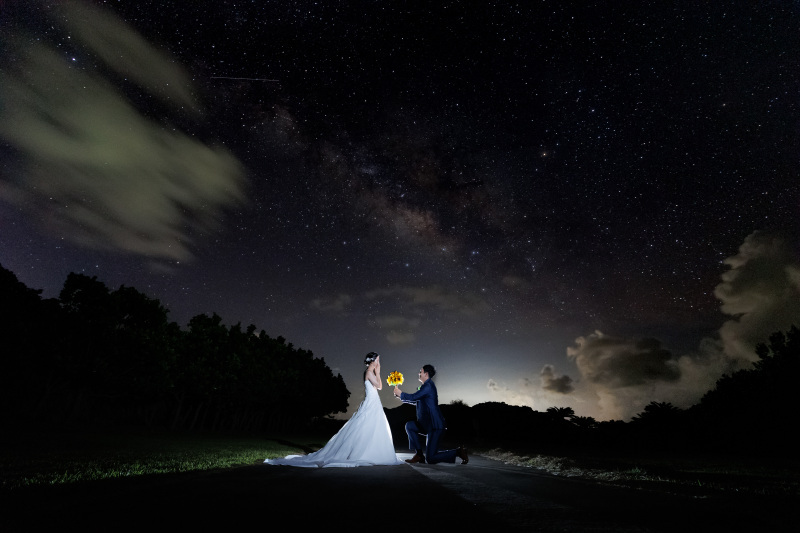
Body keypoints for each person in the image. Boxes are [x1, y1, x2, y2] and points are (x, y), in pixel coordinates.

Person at [264, 352, 405, 467]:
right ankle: (361, 453)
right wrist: (379, 372)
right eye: (378, 360)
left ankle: (372, 451)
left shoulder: (369, 371)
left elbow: (377, 388)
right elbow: (380, 386)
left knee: (373, 426)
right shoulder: (369, 371)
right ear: (374, 361)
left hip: (374, 401)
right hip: (371, 402)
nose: (379, 362)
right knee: (365, 426)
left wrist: (377, 372)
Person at [393, 364, 468, 465]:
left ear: (426, 374)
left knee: (431, 458)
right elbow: (416, 401)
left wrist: (401, 393)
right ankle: (419, 454)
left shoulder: (428, 386)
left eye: (421, 371)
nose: (419, 373)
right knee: (410, 425)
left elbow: (414, 397)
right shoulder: (425, 387)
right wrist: (400, 396)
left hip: (435, 426)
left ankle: (458, 452)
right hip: (427, 425)